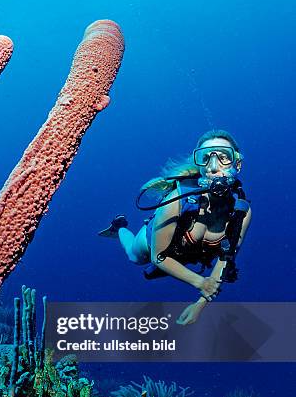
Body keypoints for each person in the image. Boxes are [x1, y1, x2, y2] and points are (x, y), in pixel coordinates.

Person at [99, 129, 252, 325]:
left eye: (224, 157)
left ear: (237, 164)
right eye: (205, 158)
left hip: (190, 253)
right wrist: (200, 283)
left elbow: (226, 258)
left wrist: (200, 304)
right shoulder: (176, 201)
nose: (214, 166)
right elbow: (158, 256)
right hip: (154, 244)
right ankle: (119, 227)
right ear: (199, 165)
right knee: (135, 257)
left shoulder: (241, 213)